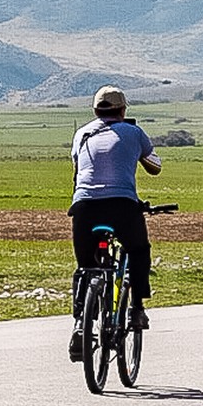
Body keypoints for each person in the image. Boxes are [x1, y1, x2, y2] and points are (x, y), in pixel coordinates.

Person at [68, 85, 161, 360]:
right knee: (138, 250)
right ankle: (137, 310)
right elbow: (155, 167)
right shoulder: (133, 132)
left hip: (84, 207)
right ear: (123, 110)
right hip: (122, 205)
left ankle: (80, 326)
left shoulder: (81, 133)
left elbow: (78, 171)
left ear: (95, 110)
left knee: (85, 267)